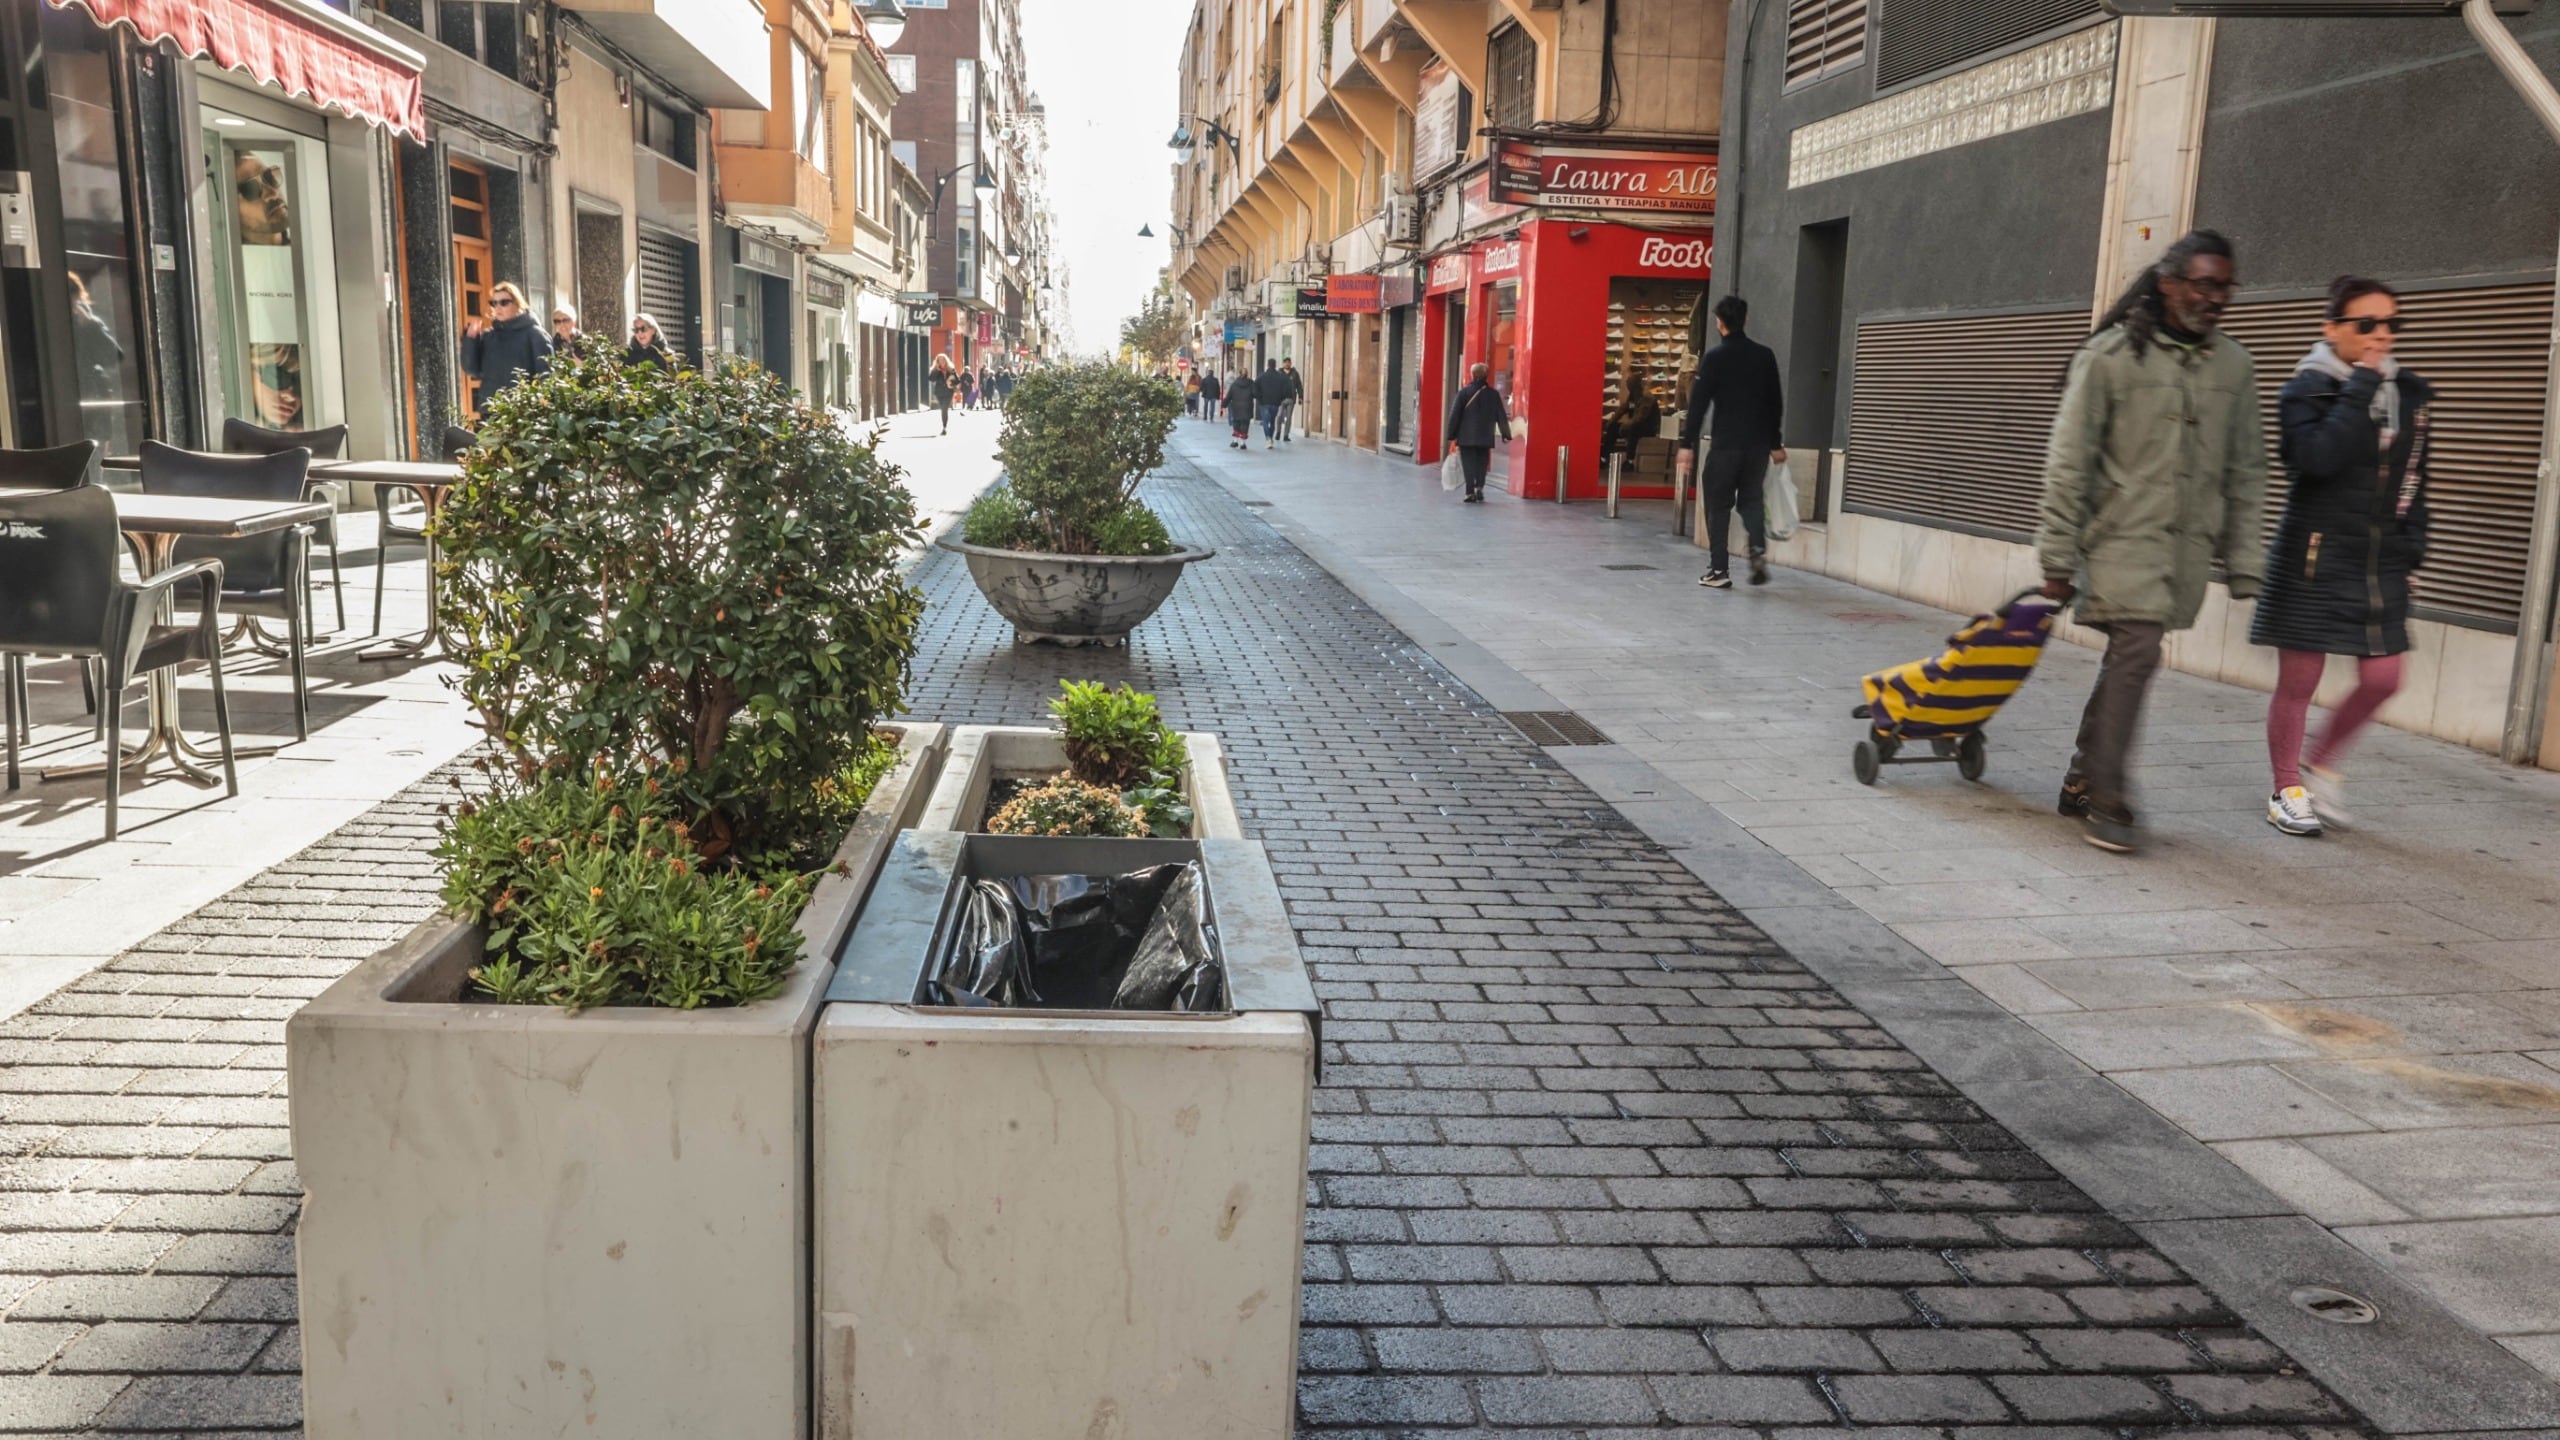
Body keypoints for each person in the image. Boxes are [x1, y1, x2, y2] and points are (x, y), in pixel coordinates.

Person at [2036, 230, 2267, 854]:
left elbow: (2247, 469)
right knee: (2137, 651)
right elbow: (2069, 462)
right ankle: (2108, 797)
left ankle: (2083, 776)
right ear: (2168, 285)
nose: (2215, 297)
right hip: (2119, 540)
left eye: (2224, 286)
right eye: (2203, 283)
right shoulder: (2111, 358)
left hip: (2182, 553)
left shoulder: (2234, 367)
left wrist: (2247, 561)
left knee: (2127, 660)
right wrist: (2057, 557)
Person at [2254, 276, 2429, 837]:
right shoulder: (2308, 389)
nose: (2381, 335)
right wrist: (2359, 385)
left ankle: (2320, 761)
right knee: (2300, 679)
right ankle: (2287, 788)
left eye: (2391, 324)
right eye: (2366, 324)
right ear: (2332, 329)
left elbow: (2417, 478)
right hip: (2315, 551)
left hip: (2379, 556)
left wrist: (2413, 548)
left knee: (2384, 676)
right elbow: (2317, 460)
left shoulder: (2408, 394)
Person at [1677, 296, 1785, 590]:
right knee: (1751, 500)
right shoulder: (1765, 356)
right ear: (1745, 320)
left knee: (1718, 504)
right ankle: (1758, 550)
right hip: (1758, 446)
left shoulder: (1714, 358)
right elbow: (1775, 403)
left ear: (1720, 323)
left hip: (1725, 445)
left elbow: (1698, 404)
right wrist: (1775, 442)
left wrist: (1687, 444)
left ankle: (1719, 569)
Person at [461, 281, 552, 414]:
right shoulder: (489, 336)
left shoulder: (535, 334)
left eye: (504, 302)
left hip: (523, 412)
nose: (498, 307)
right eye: (494, 303)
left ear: (518, 304)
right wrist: (471, 341)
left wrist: (541, 407)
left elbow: (547, 376)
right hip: (491, 411)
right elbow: (471, 370)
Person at [1443, 361, 1511, 503]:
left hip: (1466, 436)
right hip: (1485, 435)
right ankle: (1479, 487)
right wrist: (1506, 434)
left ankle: (1469, 492)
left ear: (1472, 375)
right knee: (1482, 462)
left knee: (1468, 463)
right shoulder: (1493, 394)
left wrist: (1451, 434)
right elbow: (1501, 414)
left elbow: (1454, 414)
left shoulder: (1464, 392)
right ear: (1486, 376)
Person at [1603, 375, 1662, 461]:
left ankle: (1629, 460)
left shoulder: (1647, 397)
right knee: (1613, 427)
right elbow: (1624, 408)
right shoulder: (1633, 395)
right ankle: (1604, 457)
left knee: (1633, 429)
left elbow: (1641, 417)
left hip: (1649, 427)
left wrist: (1626, 425)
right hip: (1636, 424)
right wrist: (1611, 421)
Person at [1224, 367, 1257, 449]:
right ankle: (1242, 443)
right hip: (1247, 406)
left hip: (1236, 406)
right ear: (1247, 374)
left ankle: (1235, 441)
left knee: (1236, 423)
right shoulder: (1251, 383)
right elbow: (1255, 393)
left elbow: (1229, 395)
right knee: (1245, 424)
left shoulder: (1234, 384)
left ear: (1239, 373)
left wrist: (1224, 404)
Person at [1257, 360, 1286, 449]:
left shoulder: (1261, 376)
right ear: (1275, 365)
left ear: (1267, 365)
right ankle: (1271, 437)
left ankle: (1268, 438)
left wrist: (1259, 397)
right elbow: (1283, 389)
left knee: (1265, 421)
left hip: (1264, 402)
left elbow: (1255, 388)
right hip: (1275, 403)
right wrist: (1280, 399)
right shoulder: (1280, 377)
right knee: (1272, 420)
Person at [1276, 359, 1306, 442]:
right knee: (1279, 416)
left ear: (1290, 363)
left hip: (1291, 399)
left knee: (1288, 418)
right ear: (1283, 364)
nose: (1287, 364)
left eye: (1288, 363)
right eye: (1285, 363)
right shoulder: (1279, 373)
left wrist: (1301, 397)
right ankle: (1278, 432)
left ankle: (1286, 435)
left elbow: (1299, 386)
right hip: (1280, 399)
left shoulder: (1295, 373)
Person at [929, 354, 956, 434]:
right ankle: (944, 426)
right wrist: (936, 370)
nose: (941, 361)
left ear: (946, 360)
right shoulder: (935, 370)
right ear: (937, 361)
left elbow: (957, 380)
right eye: (939, 360)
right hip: (939, 392)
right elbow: (931, 379)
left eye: (943, 360)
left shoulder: (951, 369)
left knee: (944, 409)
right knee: (942, 409)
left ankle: (944, 427)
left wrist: (950, 382)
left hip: (948, 392)